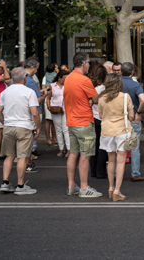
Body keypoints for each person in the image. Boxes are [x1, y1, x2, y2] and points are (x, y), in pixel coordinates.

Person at [63, 52, 103, 197]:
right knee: (85, 156)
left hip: (71, 121)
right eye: (89, 62)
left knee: (73, 154)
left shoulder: (68, 78)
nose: (89, 65)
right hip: (84, 121)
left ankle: (71, 185)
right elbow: (96, 99)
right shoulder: (84, 80)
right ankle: (84, 188)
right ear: (84, 63)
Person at [0, 68, 40, 195]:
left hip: (9, 126)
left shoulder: (5, 92)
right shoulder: (29, 92)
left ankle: (5, 183)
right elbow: (34, 113)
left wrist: (5, 123)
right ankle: (20, 186)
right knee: (22, 156)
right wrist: (38, 127)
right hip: (24, 126)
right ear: (24, 77)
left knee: (9, 156)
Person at [97, 74, 134, 201]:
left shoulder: (102, 98)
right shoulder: (125, 97)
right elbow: (131, 116)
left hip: (107, 131)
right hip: (122, 130)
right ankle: (117, 190)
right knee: (121, 160)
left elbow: (100, 115)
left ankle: (111, 187)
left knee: (110, 160)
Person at [120, 62, 144, 182]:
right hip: (133, 118)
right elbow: (143, 100)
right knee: (135, 146)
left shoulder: (116, 83)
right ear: (132, 72)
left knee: (120, 147)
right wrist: (138, 112)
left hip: (119, 118)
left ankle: (116, 173)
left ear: (120, 71)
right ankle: (135, 173)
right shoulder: (135, 84)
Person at [88, 64, 109, 179]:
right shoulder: (103, 88)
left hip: (92, 116)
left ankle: (93, 170)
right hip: (102, 117)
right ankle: (100, 171)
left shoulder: (90, 85)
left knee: (94, 146)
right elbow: (98, 100)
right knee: (103, 146)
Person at [45, 69, 71, 157]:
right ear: (59, 78)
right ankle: (61, 149)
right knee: (58, 129)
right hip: (55, 109)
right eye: (64, 78)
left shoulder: (68, 85)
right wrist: (48, 107)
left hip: (66, 109)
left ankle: (69, 149)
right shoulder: (52, 86)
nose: (66, 80)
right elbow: (48, 97)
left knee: (66, 129)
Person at [0, 59, 11, 159]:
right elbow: (7, 77)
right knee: (0, 128)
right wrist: (4, 67)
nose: (4, 69)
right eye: (1, 68)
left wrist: (4, 67)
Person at [42, 63, 59, 146]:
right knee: (52, 120)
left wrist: (48, 88)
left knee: (49, 120)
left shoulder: (45, 76)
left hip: (48, 98)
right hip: (54, 98)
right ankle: (53, 138)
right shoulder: (57, 75)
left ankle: (49, 139)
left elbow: (43, 87)